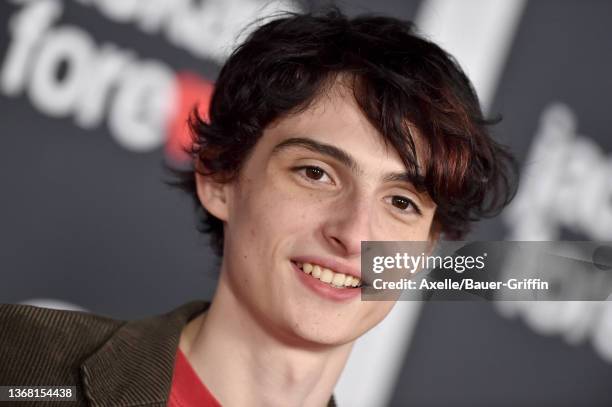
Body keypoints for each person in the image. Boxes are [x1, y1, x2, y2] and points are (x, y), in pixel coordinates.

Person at [0, 7, 517, 407]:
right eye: (316, 173)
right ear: (220, 178)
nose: (356, 234)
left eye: (401, 201)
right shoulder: (21, 366)